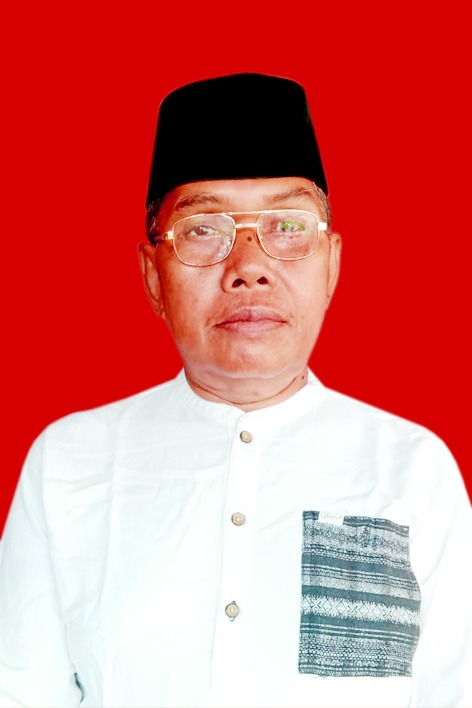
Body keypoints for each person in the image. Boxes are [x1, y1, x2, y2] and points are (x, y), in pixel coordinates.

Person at [0, 73, 470, 708]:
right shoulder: (69, 462)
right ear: (153, 276)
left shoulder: (412, 470)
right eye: (203, 229)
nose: (249, 268)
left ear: (331, 263)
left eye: (288, 225)